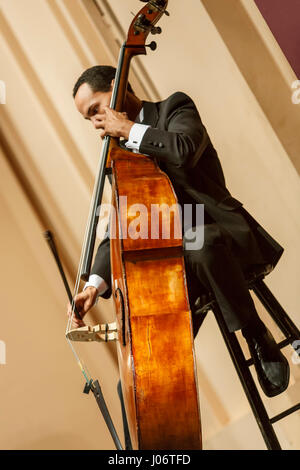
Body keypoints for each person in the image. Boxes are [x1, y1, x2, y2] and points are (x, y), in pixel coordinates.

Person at [68, 65, 289, 399]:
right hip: (176, 270)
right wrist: (93, 286)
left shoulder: (174, 108)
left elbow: (183, 151)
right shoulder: (120, 153)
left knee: (202, 243)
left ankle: (255, 333)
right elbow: (121, 222)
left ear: (117, 87)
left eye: (96, 110)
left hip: (216, 234)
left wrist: (128, 128)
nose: (97, 122)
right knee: (135, 383)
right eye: (89, 119)